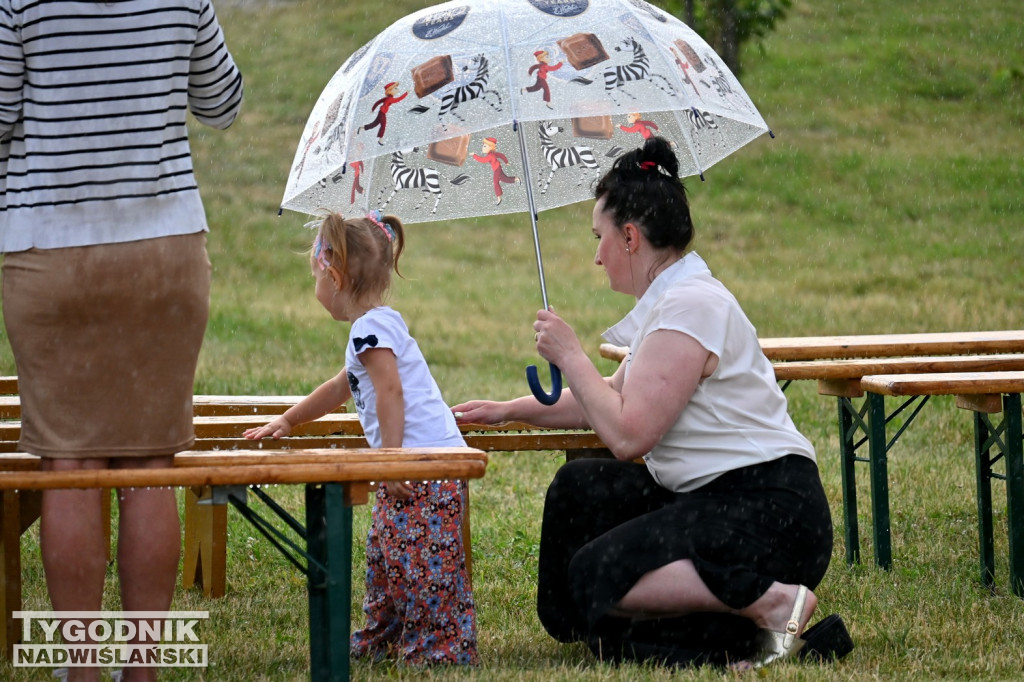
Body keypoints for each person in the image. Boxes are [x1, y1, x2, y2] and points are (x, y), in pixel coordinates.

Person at [452, 137, 842, 669]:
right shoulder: (671, 302)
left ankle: (772, 601)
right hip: (717, 498)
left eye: (599, 237)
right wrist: (508, 409)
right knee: (580, 488)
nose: (596, 255)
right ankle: (692, 628)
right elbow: (608, 397)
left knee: (593, 573)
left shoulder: (691, 306)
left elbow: (630, 434)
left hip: (769, 511)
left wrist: (571, 353)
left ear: (630, 237)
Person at [0, 2, 242, 681]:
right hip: (162, 247)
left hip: (49, 248)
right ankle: (143, 670)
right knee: (149, 467)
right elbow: (221, 102)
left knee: (68, 466)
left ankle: (80, 670)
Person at [244, 210, 478, 666]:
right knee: (389, 555)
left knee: (421, 565)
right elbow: (339, 387)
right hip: (414, 463)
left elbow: (390, 392)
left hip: (425, 465)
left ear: (333, 273)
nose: (315, 289)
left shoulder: (369, 328)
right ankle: (385, 634)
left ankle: (439, 648)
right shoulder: (373, 327)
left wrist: (390, 460)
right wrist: (289, 420)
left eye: (314, 275)